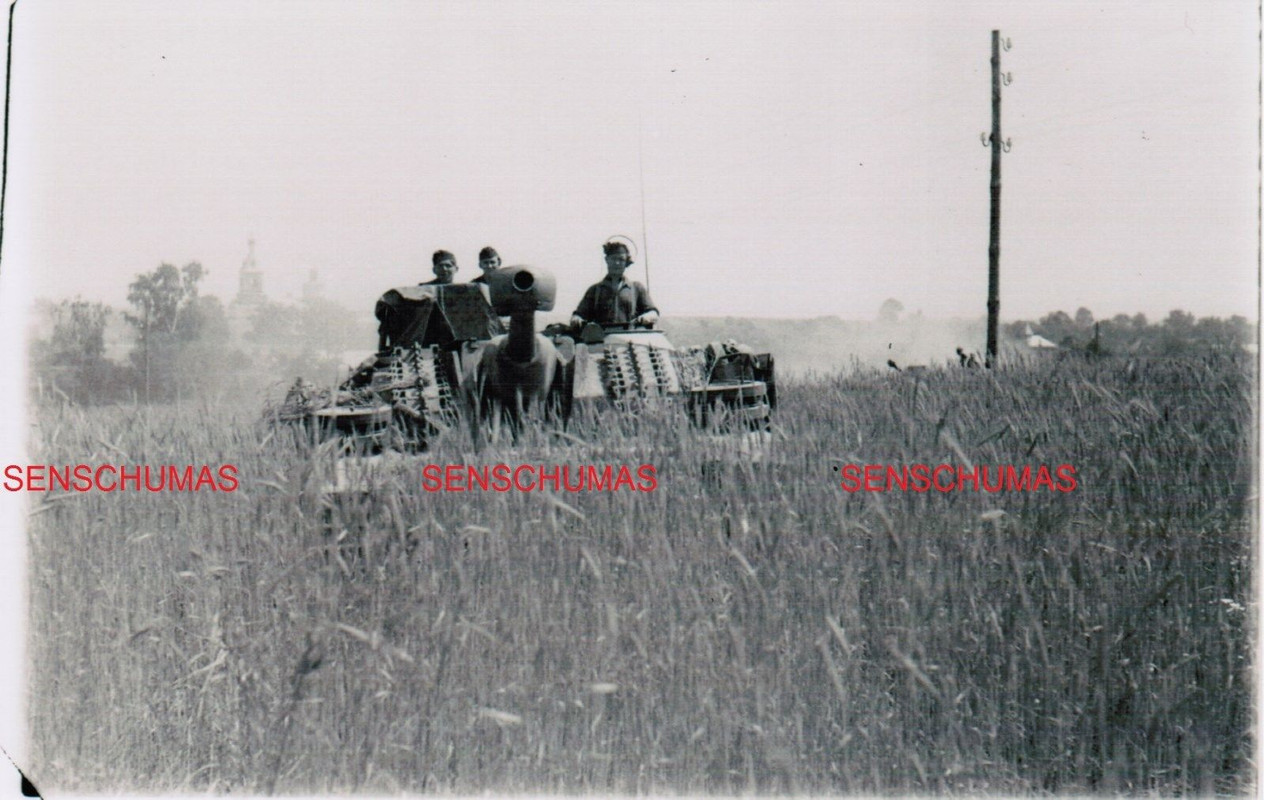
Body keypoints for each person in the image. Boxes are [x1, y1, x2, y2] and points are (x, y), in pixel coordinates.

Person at [570, 240, 658, 328]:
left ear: (626, 262)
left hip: (630, 335)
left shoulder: (637, 288)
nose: (617, 263)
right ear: (607, 260)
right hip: (602, 336)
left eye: (621, 259)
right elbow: (578, 315)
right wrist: (577, 319)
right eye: (613, 259)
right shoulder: (594, 290)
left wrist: (648, 316)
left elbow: (653, 312)